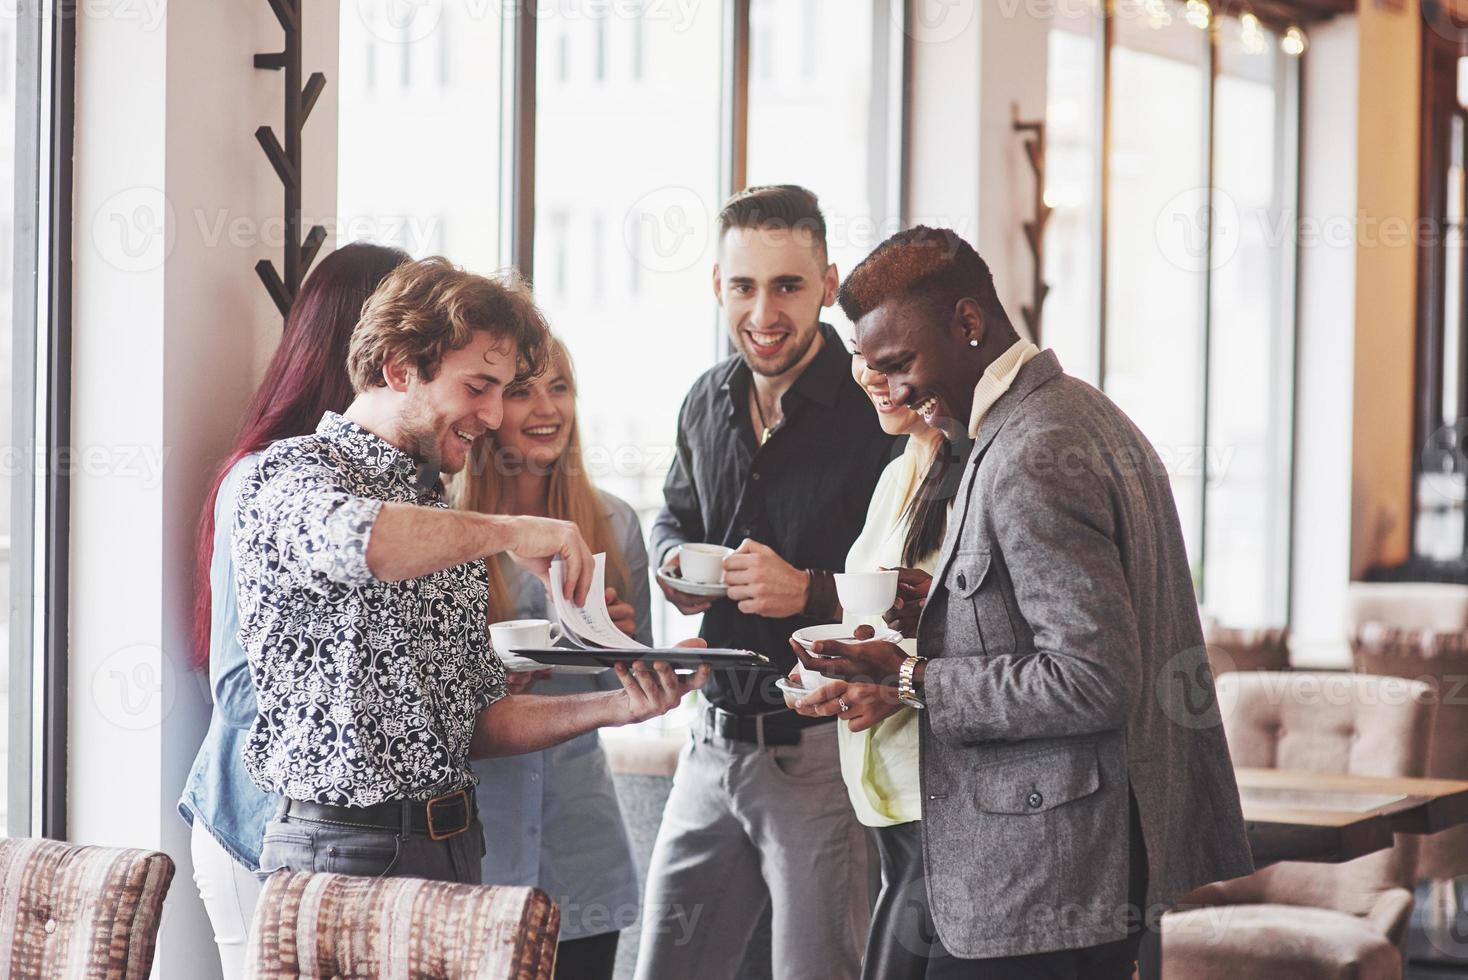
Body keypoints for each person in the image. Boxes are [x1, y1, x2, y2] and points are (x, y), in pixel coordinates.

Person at [792, 226, 1254, 979]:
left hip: (1042, 885)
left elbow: (1092, 678)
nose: (896, 392)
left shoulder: (1030, 450)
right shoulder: (1080, 414)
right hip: (1076, 874)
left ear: (968, 323)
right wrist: (938, 616)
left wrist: (908, 678)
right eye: (876, 370)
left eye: (901, 364)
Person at [238, 256, 707, 884]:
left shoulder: (434, 509)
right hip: (344, 846)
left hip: (455, 843)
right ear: (400, 369)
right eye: (478, 387)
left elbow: (477, 718)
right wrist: (511, 532)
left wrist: (619, 706)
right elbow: (359, 540)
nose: (492, 417)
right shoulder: (289, 473)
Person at [638, 186, 897, 980]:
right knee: (663, 969)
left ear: (827, 283)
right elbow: (673, 519)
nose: (765, 311)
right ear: (718, 284)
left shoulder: (876, 412)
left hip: (819, 753)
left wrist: (812, 589)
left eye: (788, 286)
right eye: (745, 286)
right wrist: (675, 567)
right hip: (710, 744)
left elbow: (917, 586)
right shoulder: (704, 400)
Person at [178, 242, 409, 980]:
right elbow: (243, 690)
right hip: (259, 825)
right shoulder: (265, 480)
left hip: (324, 836)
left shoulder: (392, 486)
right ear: (368, 351)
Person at [459, 335, 649, 980]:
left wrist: (618, 646)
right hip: (474, 849)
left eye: (559, 387)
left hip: (581, 850)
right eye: (521, 390)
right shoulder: (451, 528)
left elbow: (634, 680)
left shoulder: (616, 523)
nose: (547, 408)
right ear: (484, 408)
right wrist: (494, 669)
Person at [783, 345, 957, 980]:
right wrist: (827, 672)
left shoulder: (983, 474)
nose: (869, 375)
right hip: (887, 803)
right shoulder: (900, 473)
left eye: (889, 354)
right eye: (859, 352)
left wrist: (901, 685)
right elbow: (884, 625)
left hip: (945, 801)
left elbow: (1007, 650)